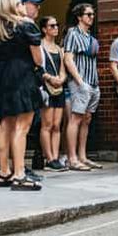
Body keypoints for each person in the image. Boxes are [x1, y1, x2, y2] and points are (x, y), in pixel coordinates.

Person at [0, 0, 43, 191]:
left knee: (5, 125)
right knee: (22, 127)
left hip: (3, 79)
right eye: (19, 3)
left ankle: (5, 173)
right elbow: (38, 59)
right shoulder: (26, 26)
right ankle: (19, 175)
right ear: (14, 7)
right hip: (23, 78)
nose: (22, 6)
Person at [63, 3, 103, 171]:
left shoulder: (90, 37)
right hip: (80, 82)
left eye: (92, 14)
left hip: (93, 82)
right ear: (79, 17)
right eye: (88, 14)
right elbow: (68, 59)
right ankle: (72, 158)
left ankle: (82, 156)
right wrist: (80, 81)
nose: (91, 17)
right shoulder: (73, 33)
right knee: (76, 118)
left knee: (86, 119)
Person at [39, 16, 68, 172]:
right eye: (52, 25)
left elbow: (63, 69)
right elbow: (38, 68)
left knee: (57, 125)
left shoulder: (59, 49)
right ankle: (49, 158)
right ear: (44, 29)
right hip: (46, 87)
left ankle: (55, 158)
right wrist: (50, 78)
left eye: (57, 25)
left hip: (58, 88)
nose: (56, 28)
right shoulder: (39, 46)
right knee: (47, 124)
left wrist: (61, 79)